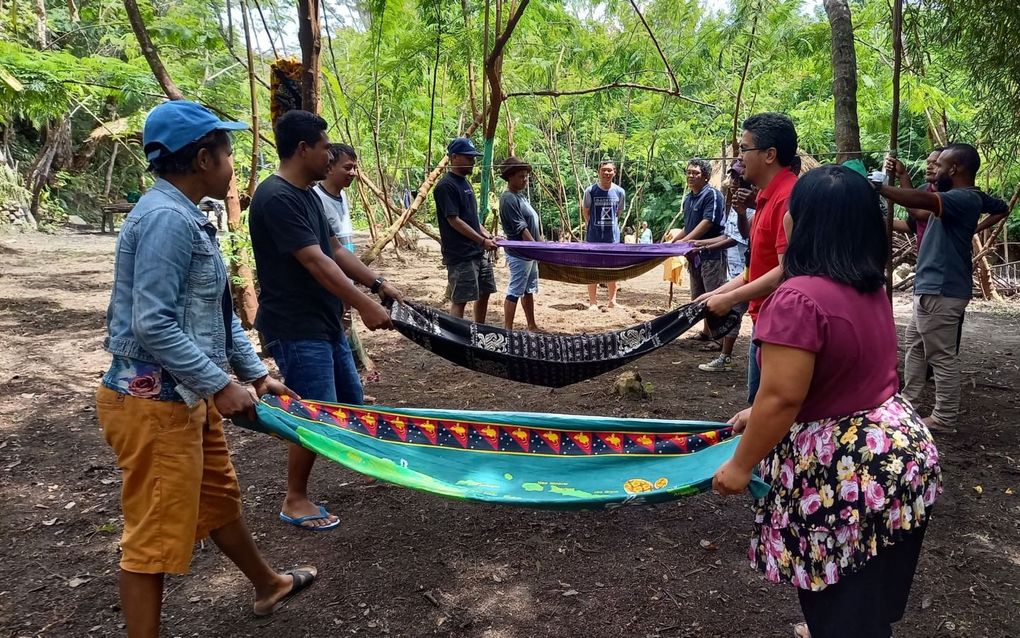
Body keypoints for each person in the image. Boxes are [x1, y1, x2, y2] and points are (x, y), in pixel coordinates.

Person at [97, 100, 317, 636]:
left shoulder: (188, 218)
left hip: (184, 397)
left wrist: (254, 372)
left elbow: (213, 317)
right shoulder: (168, 220)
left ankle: (269, 584)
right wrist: (220, 384)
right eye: (227, 153)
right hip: (153, 405)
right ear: (202, 159)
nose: (233, 163)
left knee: (217, 499)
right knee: (152, 538)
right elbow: (153, 324)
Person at [713, 165, 941, 638]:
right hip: (901, 453)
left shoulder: (797, 298)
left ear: (803, 223)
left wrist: (739, 465)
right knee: (871, 590)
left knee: (839, 602)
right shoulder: (867, 285)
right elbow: (842, 370)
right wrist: (756, 412)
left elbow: (781, 397)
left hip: (846, 469)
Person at [249, 110, 403, 531]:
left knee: (350, 402)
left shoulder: (308, 196)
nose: (329, 155)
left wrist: (376, 283)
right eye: (324, 148)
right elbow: (316, 263)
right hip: (296, 327)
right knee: (313, 412)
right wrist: (366, 306)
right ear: (303, 149)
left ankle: (371, 468)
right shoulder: (276, 198)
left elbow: (334, 248)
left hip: (323, 321)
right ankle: (294, 498)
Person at [877, 144, 987, 432]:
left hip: (941, 288)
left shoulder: (959, 198)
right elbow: (998, 206)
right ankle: (909, 400)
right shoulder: (959, 198)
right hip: (931, 286)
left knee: (940, 356)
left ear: (954, 169)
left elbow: (916, 202)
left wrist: (878, 187)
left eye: (938, 165)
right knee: (915, 345)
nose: (933, 170)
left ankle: (944, 417)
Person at [699, 113, 800, 404]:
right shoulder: (766, 197)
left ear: (769, 155)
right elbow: (754, 268)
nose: (740, 158)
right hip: (763, 319)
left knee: (765, 410)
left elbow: (787, 270)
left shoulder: (787, 198)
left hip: (781, 324)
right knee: (757, 404)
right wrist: (716, 292)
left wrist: (730, 300)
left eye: (744, 149)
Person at [694, 162, 755, 372]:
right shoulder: (736, 206)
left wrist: (706, 247)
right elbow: (728, 235)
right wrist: (701, 244)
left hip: (747, 270)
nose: (732, 183)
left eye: (737, 179)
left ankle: (725, 356)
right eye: (733, 178)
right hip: (737, 269)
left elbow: (740, 238)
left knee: (733, 310)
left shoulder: (750, 208)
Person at [434, 137, 498, 321]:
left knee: (485, 292)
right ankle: (456, 338)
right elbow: (454, 221)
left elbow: (472, 219)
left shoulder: (465, 183)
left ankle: (479, 329)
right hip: (460, 254)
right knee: (461, 299)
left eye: (473, 157)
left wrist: (488, 235)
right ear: (454, 158)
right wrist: (482, 241)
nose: (473, 161)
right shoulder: (446, 186)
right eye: (468, 157)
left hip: (477, 251)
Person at [672, 158, 727, 341]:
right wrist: (674, 242)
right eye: (688, 172)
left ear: (706, 177)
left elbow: (707, 222)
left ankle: (718, 337)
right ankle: (706, 331)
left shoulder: (712, 195)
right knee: (699, 294)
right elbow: (688, 226)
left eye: (695, 173)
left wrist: (686, 241)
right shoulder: (689, 198)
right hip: (694, 254)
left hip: (712, 253)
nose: (691, 176)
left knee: (714, 292)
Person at [498, 156, 541, 331]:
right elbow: (521, 227)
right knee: (515, 289)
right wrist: (537, 249)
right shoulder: (509, 198)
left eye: (526, 176)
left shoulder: (521, 197)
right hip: (520, 252)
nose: (525, 180)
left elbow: (532, 222)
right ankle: (508, 329)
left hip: (530, 252)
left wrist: (540, 246)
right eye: (521, 176)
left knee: (528, 289)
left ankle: (531, 324)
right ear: (510, 177)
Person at [582, 160, 626, 309]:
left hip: (612, 238)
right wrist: (592, 226)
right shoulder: (590, 191)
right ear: (599, 172)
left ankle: (612, 301)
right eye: (604, 170)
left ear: (614, 172)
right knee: (592, 269)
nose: (607, 173)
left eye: (610, 170)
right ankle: (593, 302)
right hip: (593, 237)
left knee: (613, 269)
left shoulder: (620, 192)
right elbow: (586, 211)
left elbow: (618, 212)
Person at [315, 143, 357, 253]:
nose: (353, 173)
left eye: (354, 167)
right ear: (329, 168)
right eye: (347, 168)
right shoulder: (316, 198)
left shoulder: (343, 195)